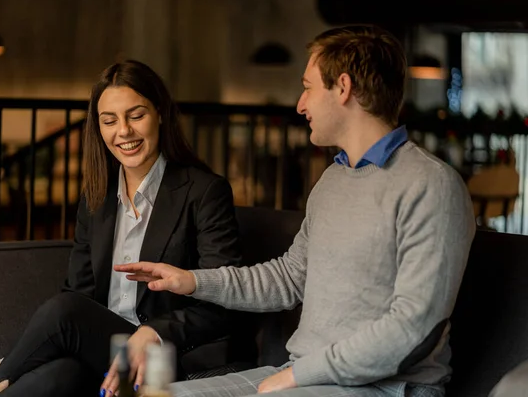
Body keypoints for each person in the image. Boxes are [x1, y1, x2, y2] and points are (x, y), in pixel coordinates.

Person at [120, 25, 477, 397]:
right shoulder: (333, 181)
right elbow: (289, 279)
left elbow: (413, 327)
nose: (300, 104)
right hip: (306, 376)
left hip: (386, 388)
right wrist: (192, 281)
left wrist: (297, 376)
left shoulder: (432, 185)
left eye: (307, 87)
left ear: (343, 87)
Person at [0, 60, 244, 397]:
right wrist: (16, 359)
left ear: (160, 113)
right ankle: (1, 380)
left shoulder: (204, 192)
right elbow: (81, 295)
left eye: (136, 115)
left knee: (62, 310)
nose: (123, 131)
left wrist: (155, 332)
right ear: (98, 128)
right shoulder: (97, 198)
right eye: (109, 121)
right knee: (56, 377)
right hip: (104, 350)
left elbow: (225, 299)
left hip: (169, 353)